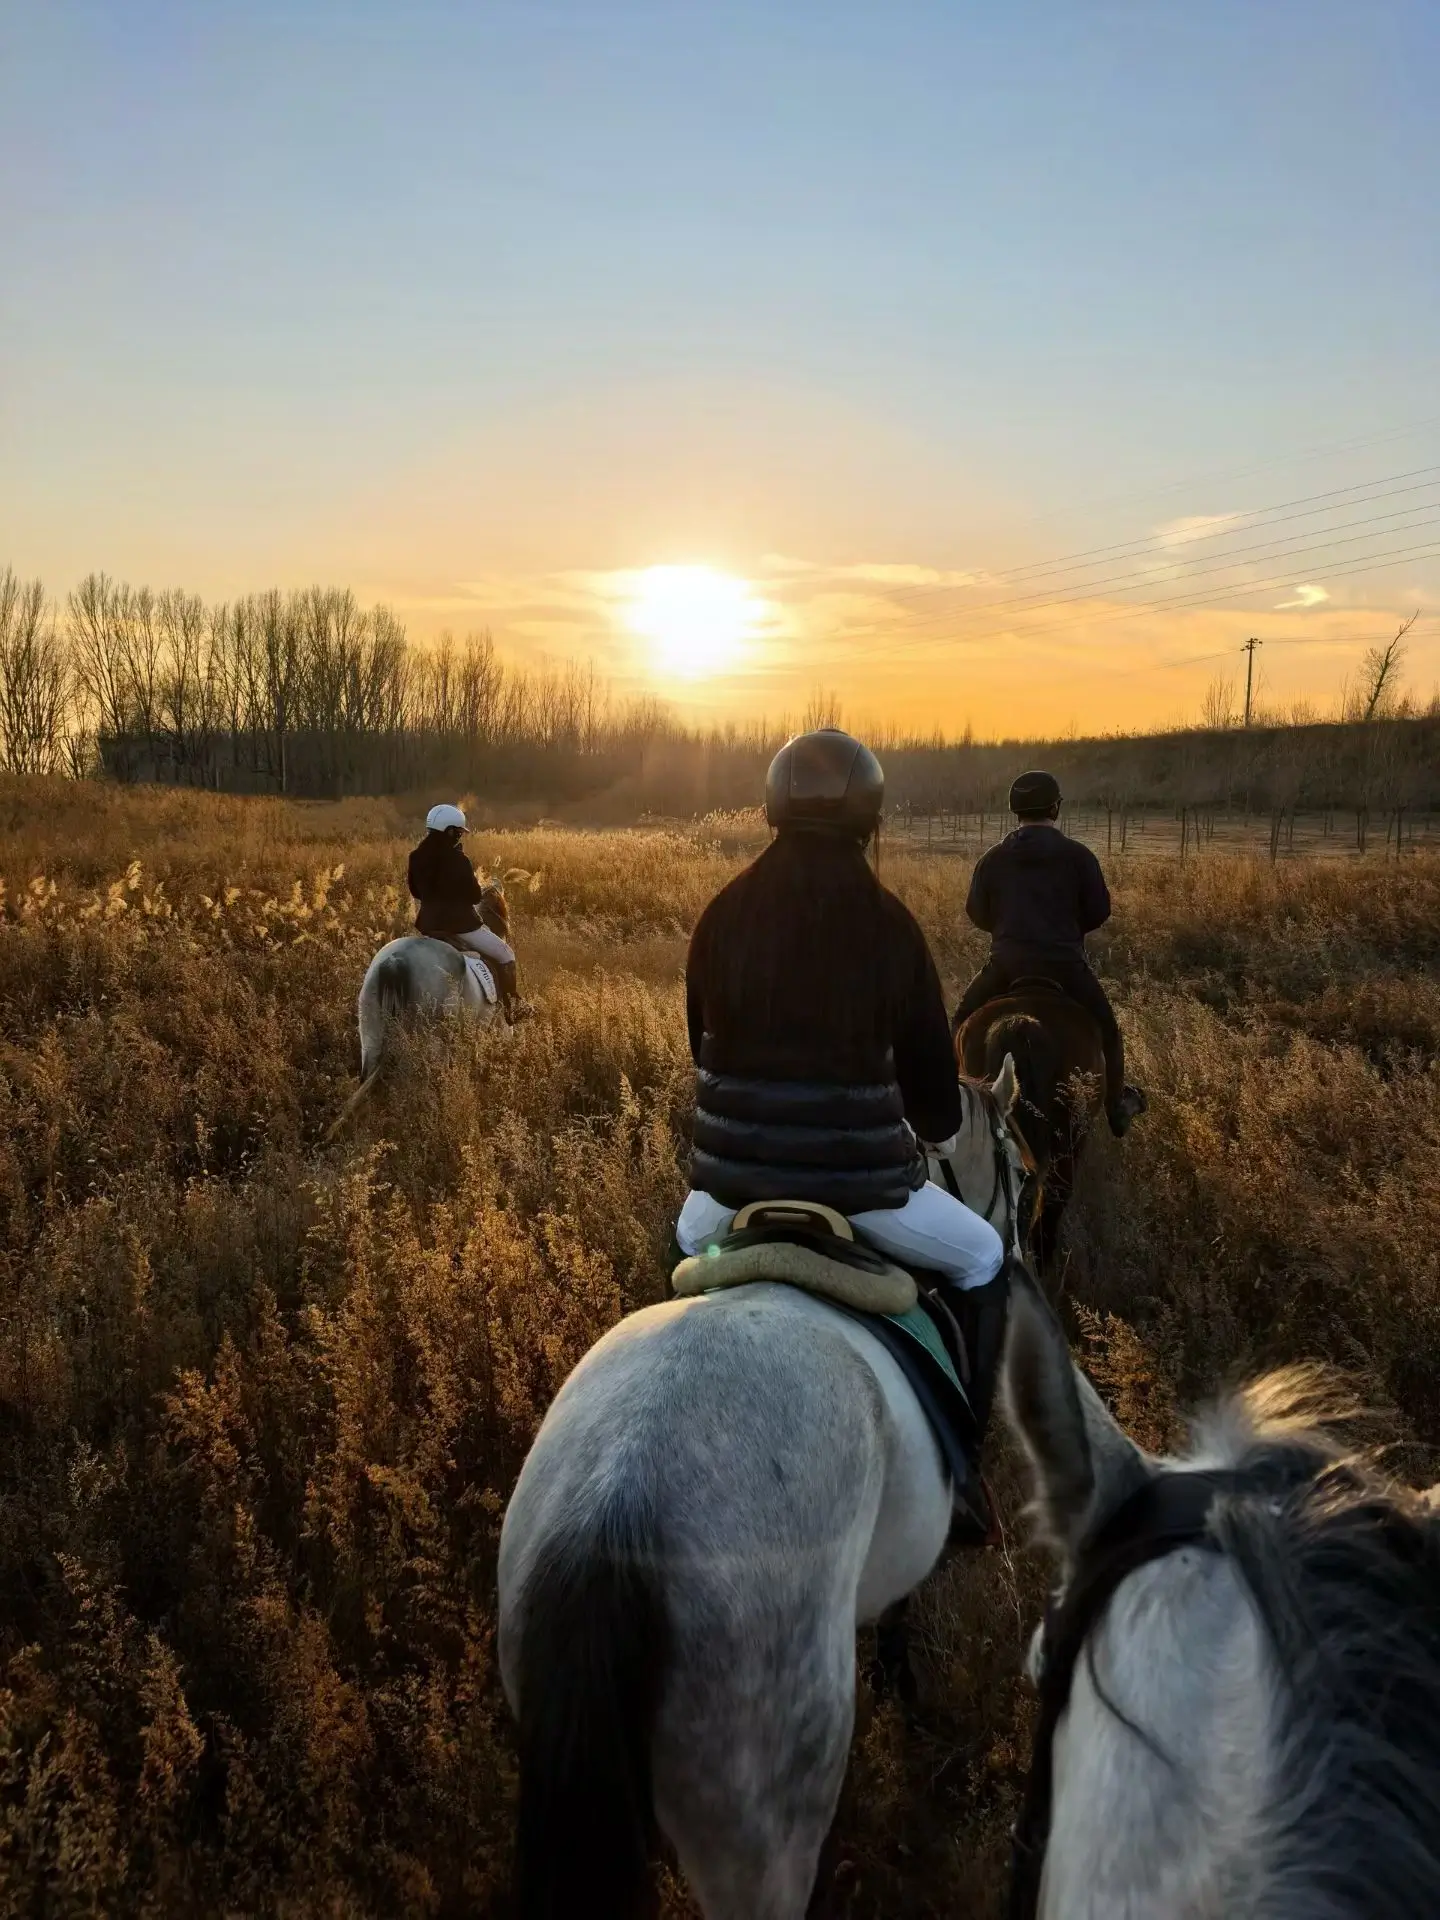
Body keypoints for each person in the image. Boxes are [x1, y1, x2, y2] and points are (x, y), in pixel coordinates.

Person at [678, 728, 1009, 1423]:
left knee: (682, 1248)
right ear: (869, 817)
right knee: (983, 1256)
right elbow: (935, 1104)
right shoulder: (891, 926)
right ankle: (974, 1441)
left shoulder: (720, 917)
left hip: (729, 1190)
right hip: (863, 1192)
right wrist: (939, 1136)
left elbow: (700, 1053)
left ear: (772, 807)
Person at [951, 770, 1144, 1136]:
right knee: (1107, 1029)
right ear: (1055, 808)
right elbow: (1099, 911)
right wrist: (1067, 932)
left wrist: (1007, 933)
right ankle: (1116, 1106)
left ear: (1015, 810)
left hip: (1005, 966)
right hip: (1065, 967)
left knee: (960, 1020)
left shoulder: (993, 859)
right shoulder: (1079, 857)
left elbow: (976, 912)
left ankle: (946, 1102)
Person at [407, 804, 533, 1023]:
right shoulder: (458, 859)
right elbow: (475, 896)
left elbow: (415, 892)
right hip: (462, 927)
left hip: (428, 926)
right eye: (458, 832)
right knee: (505, 953)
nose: (459, 837)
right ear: (448, 831)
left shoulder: (416, 856)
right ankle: (513, 1006)